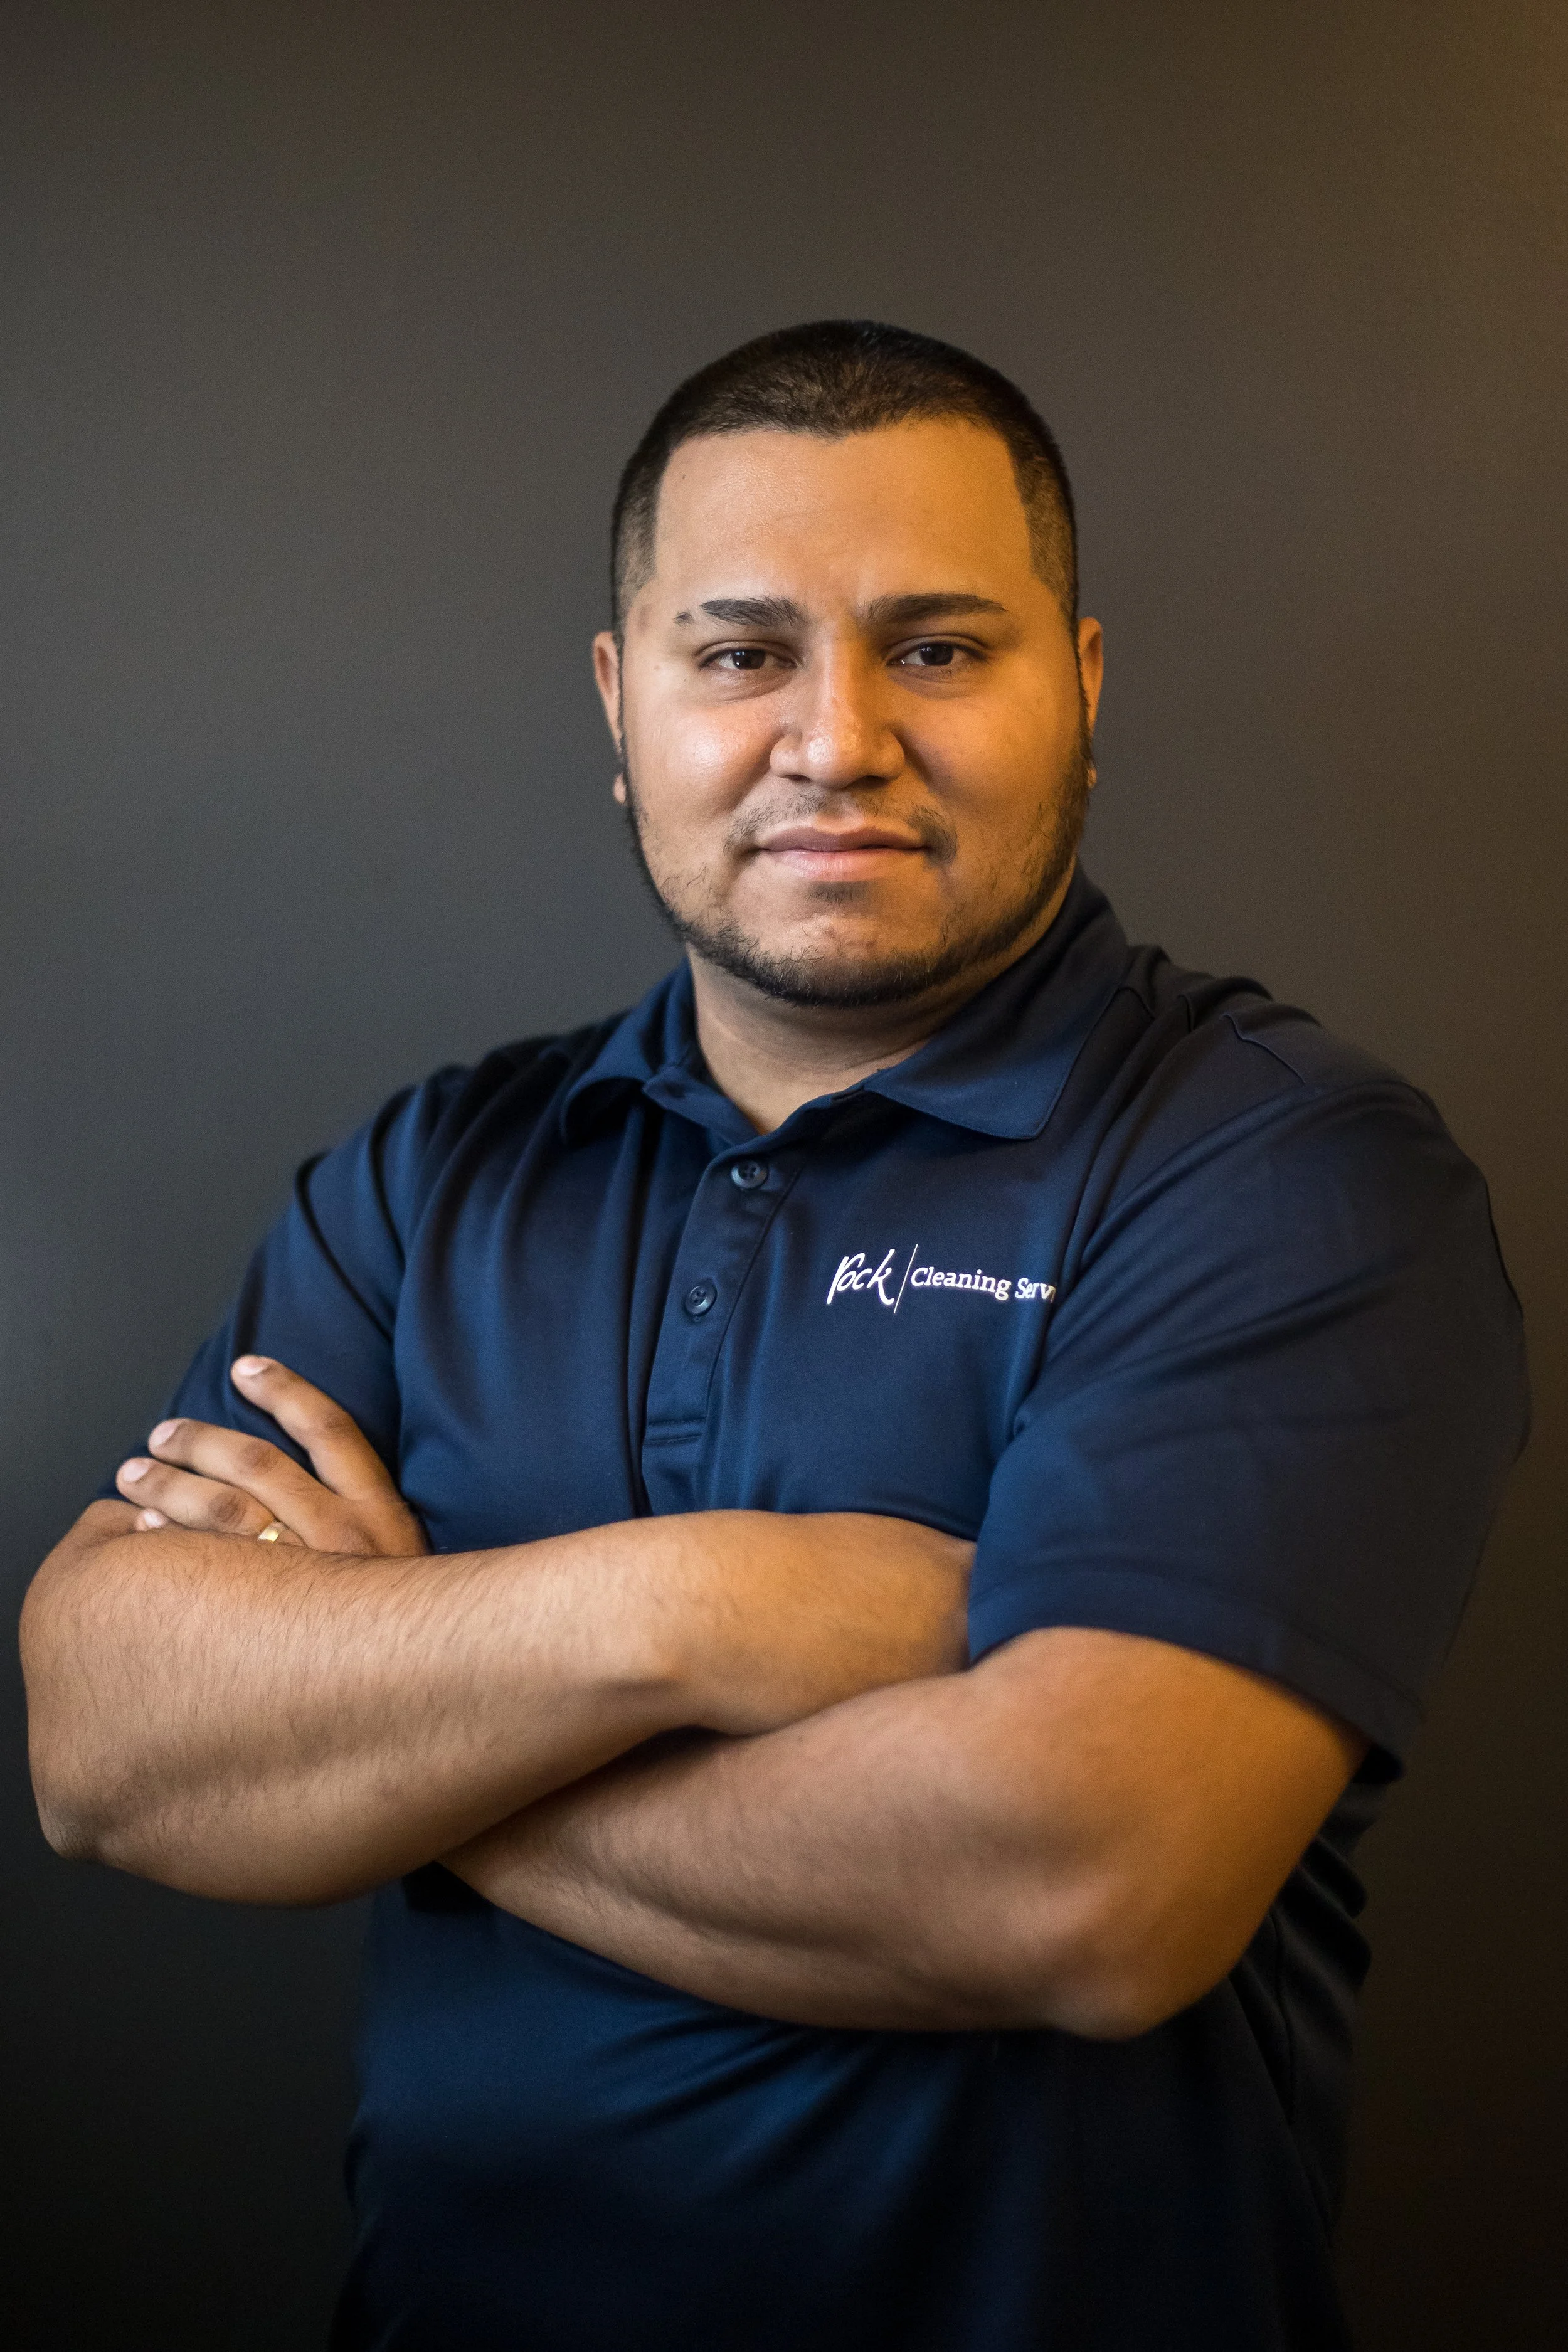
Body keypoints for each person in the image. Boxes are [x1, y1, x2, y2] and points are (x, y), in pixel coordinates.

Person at [22, 320, 1526, 2352]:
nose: (835, 737)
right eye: (739, 653)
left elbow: (1078, 1879)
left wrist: (404, 1697)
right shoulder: (433, 1172)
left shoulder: (1278, 1174)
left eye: (935, 646)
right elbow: (102, 1734)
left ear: (1078, 687)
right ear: (619, 702)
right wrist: (696, 1605)